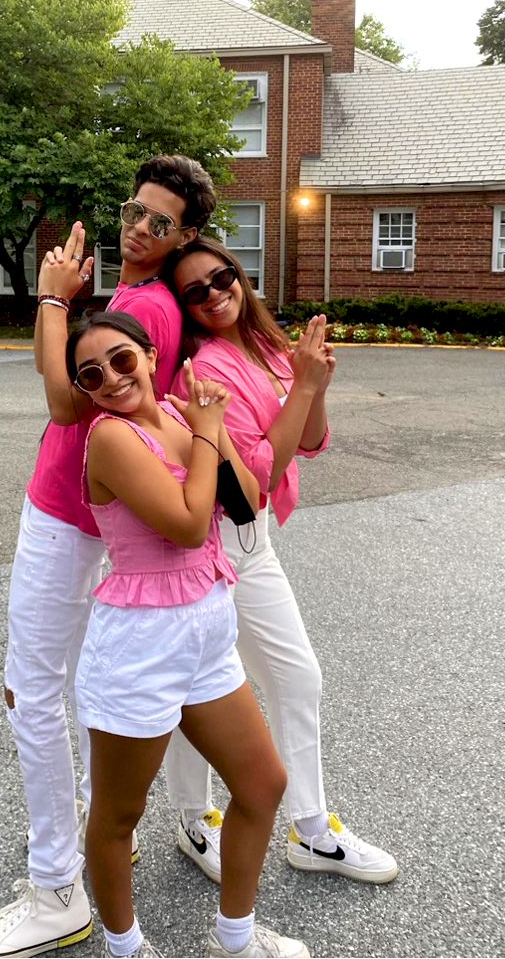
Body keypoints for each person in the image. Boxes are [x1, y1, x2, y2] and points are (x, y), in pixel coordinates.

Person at [0, 155, 219, 959]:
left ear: (186, 236)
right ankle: (93, 838)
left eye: (159, 222)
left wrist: (51, 299)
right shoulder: (147, 298)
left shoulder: (143, 304)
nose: (138, 228)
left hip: (66, 514)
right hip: (86, 512)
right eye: (134, 211)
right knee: (67, 687)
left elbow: (64, 397)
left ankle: (56, 892)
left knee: (31, 691)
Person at [66, 309, 308, 959]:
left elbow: (244, 499)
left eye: (121, 359)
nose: (112, 378)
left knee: (262, 785)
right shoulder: (110, 439)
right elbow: (186, 524)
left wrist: (213, 428)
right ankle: (126, 949)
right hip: (139, 647)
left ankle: (235, 940)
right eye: (91, 375)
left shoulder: (181, 415)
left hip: (206, 633)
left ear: (150, 356)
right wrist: (206, 431)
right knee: (118, 816)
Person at [161, 236, 398, 885]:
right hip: (213, 538)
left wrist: (313, 385)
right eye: (194, 292)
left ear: (238, 274)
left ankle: (307, 831)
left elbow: (310, 441)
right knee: (204, 685)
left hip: (251, 539)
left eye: (220, 278)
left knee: (285, 678)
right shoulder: (204, 370)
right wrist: (304, 385)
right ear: (183, 306)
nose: (214, 295)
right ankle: (200, 819)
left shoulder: (264, 346)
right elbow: (259, 474)